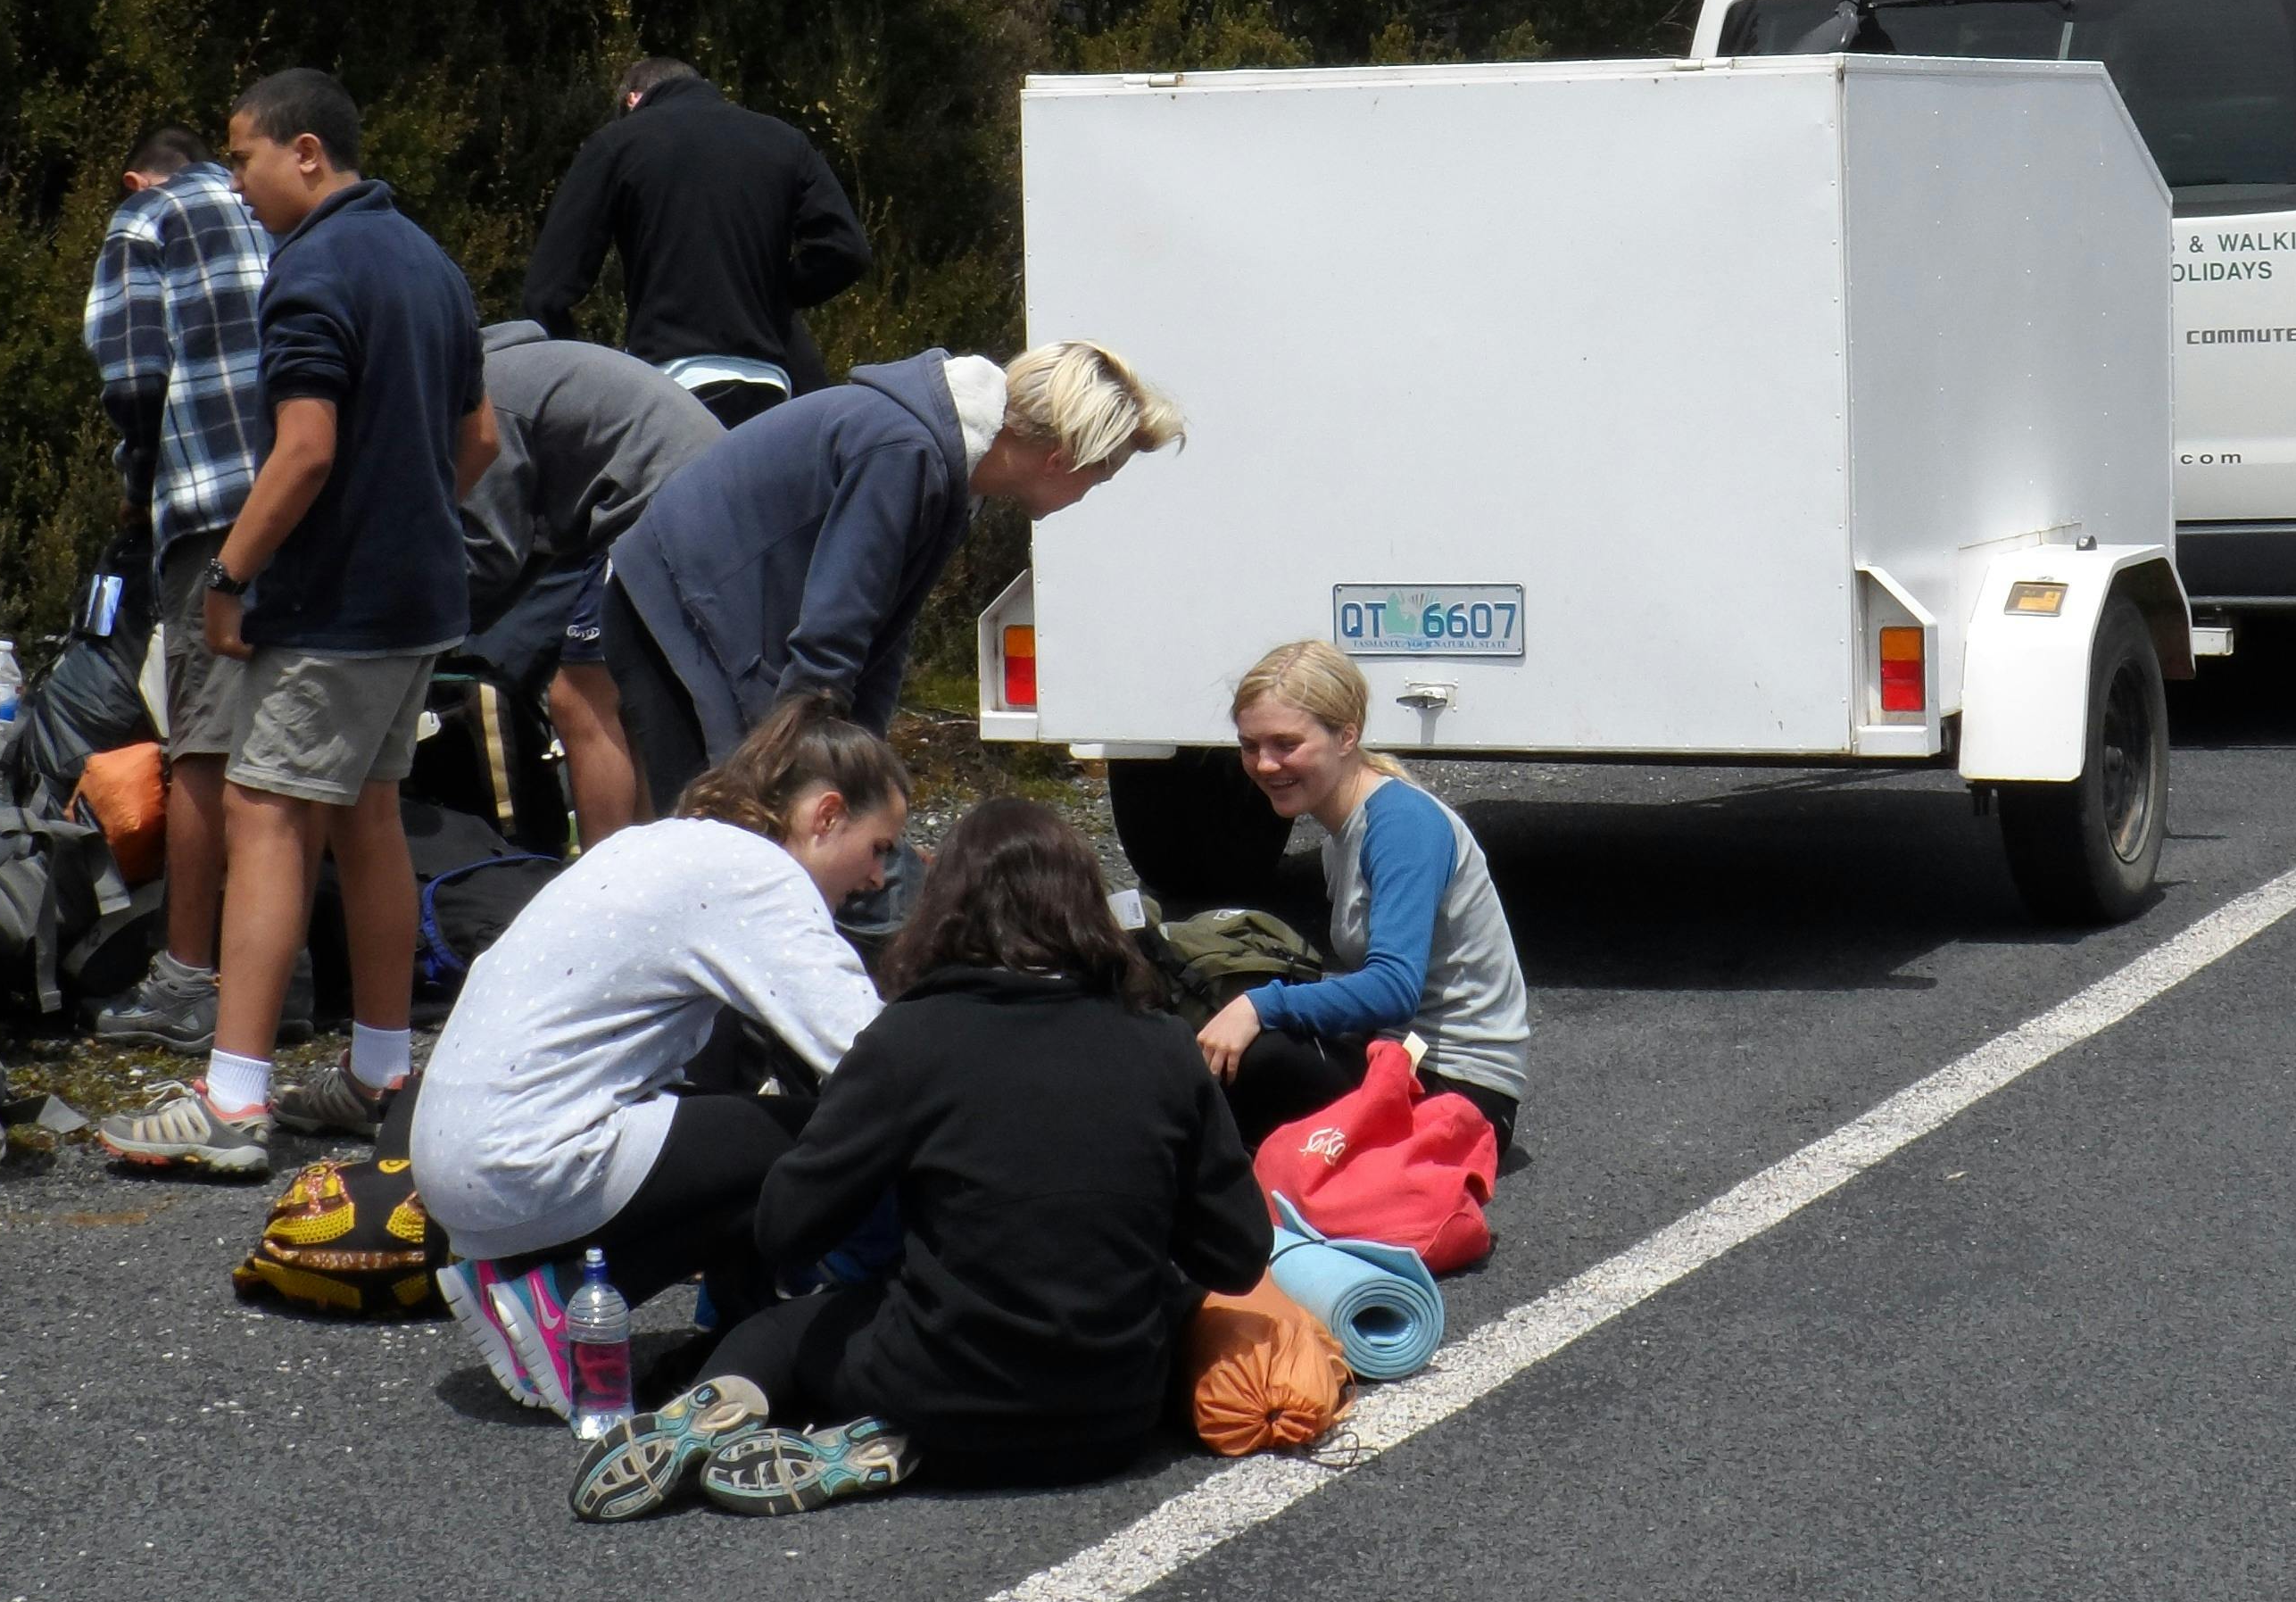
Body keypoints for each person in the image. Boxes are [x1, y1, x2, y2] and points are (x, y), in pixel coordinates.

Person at [570, 798, 1272, 1523]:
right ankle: (893, 1439)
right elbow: (1239, 1254)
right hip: (1113, 1421)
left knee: (782, 1332)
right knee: (1159, 1299)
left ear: (945, 911)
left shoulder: (911, 1040)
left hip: (935, 1388)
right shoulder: (1160, 1045)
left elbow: (785, 1229)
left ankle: (732, 1404)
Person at [96, 70, 494, 1177]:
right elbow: (482, 441)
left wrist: (230, 570)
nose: (235, 179)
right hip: (422, 599)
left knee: (266, 812)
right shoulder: (433, 262)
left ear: (306, 152)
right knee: (370, 813)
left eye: (243, 158)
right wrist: (411, 514)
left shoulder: (309, 270)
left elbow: (305, 451)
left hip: (334, 603)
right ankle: (379, 1073)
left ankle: (231, 1102)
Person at [412, 695, 904, 1414]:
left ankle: (735, 1334)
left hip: (460, 1154)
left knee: (749, 1137)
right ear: (826, 815)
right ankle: (563, 1298)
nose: (877, 880)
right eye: (879, 848)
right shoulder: (756, 876)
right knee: (813, 1145)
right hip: (526, 1159)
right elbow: (871, 1058)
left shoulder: (666, 843)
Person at [599, 339, 1181, 812]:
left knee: (775, 825)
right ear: (1062, 460)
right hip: (673, 605)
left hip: (711, 605)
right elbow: (833, 633)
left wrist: (864, 770)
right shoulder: (907, 452)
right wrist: (814, 777)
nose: (1085, 498)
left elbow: (884, 633)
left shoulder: (951, 468)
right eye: (1095, 481)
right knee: (730, 830)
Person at [80, 121, 275, 1055]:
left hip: (213, 510)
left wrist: (136, 485)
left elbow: (132, 376)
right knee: (300, 741)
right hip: (309, 499)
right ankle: (291, 967)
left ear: (135, 174)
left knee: (204, 744)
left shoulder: (144, 220)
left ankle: (187, 980)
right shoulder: (275, 204)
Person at [1197, 642, 1529, 1155]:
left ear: (1346, 735)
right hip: (1397, 1053)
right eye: (1249, 745)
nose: (1265, 764)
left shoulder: (1402, 825)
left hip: (1461, 1091)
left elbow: (1393, 988)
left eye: (1286, 744)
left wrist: (1260, 1005)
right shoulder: (1344, 827)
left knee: (1252, 1059)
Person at [457, 320, 722, 845]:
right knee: (634, 710)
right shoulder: (518, 373)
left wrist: (412, 634)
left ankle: (605, 887)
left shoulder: (487, 402)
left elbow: (488, 556)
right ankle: (651, 868)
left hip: (663, 506)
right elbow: (521, 556)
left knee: (580, 700)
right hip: (698, 496)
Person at [520, 59, 872, 405]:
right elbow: (846, 249)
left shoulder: (618, 142)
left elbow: (548, 292)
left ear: (633, 99)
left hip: (671, 384)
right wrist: (775, 297)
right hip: (771, 386)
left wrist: (575, 385)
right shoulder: (785, 141)